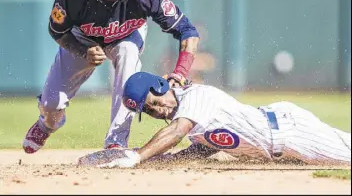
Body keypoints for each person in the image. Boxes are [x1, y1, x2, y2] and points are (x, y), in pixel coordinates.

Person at [22, 0, 199, 154]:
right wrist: (81, 50)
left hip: (125, 37)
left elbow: (188, 31)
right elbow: (57, 31)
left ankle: (116, 140)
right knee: (52, 102)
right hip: (82, 39)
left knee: (127, 53)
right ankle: (47, 125)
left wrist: (180, 73)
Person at [94, 71, 351, 168]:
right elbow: (204, 147)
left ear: (160, 86)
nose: (156, 111)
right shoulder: (193, 116)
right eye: (148, 112)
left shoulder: (194, 96)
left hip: (289, 132)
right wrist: (160, 161)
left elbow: (176, 133)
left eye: (154, 102)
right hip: (279, 139)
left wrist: (138, 156)